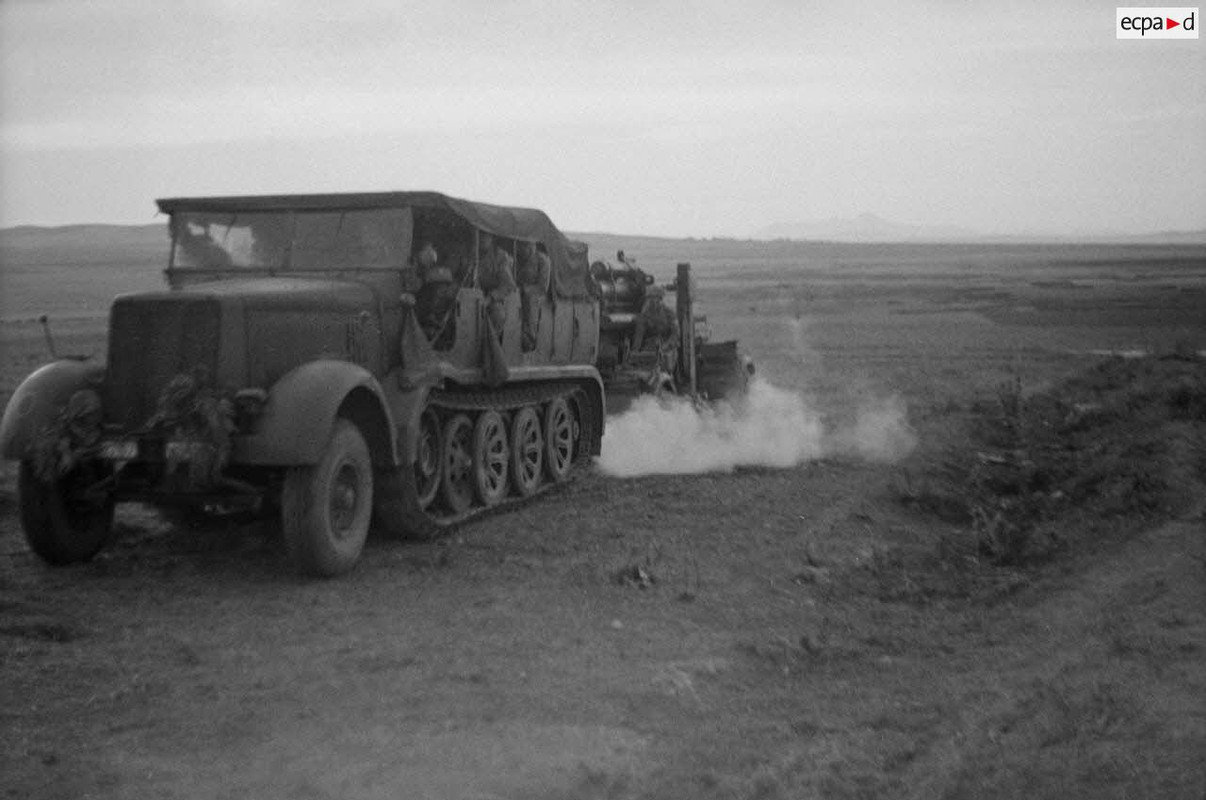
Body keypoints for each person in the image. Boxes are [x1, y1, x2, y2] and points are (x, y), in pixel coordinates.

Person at [477, 232, 516, 333]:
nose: (482, 239)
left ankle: (491, 346)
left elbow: (508, 285)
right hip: (471, 293)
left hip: (492, 297)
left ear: (491, 238)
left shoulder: (499, 256)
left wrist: (490, 298)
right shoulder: (471, 252)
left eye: (485, 236)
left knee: (498, 314)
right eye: (480, 235)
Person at [516, 241, 551, 350]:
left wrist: (525, 289)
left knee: (531, 300)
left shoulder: (542, 260)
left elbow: (542, 287)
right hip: (518, 293)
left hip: (536, 295)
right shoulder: (518, 259)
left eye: (525, 245)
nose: (521, 249)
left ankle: (530, 337)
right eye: (521, 245)